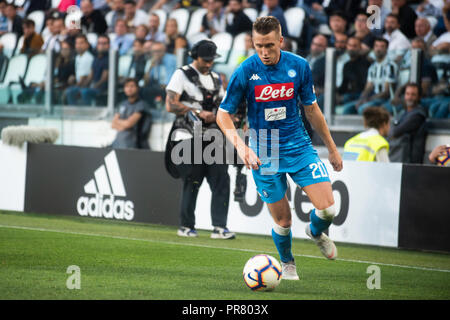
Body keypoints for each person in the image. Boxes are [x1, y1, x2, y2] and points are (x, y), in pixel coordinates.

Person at [217, 16, 343, 280]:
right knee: (283, 221)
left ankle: (317, 232)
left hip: (298, 146)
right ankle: (287, 263)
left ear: (281, 41)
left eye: (270, 45)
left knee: (328, 209)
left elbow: (312, 109)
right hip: (264, 152)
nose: (264, 52)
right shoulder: (245, 70)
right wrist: (242, 148)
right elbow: (223, 115)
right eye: (258, 45)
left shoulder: (299, 66)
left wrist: (331, 147)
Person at [165, 39, 236, 240]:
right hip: (187, 133)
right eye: (205, 59)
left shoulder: (215, 78)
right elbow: (170, 105)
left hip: (212, 136)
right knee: (192, 180)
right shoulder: (181, 74)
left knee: (222, 178)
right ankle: (186, 225)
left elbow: (223, 105)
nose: (208, 63)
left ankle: (220, 227)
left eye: (211, 60)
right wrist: (197, 111)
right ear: (195, 56)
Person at [388, 82, 428, 164]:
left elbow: (395, 132)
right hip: (399, 159)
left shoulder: (418, 115)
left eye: (413, 95)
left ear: (419, 97)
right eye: (407, 94)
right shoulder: (402, 113)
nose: (409, 97)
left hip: (411, 162)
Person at [111, 78, 151, 149]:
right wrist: (125, 125)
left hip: (134, 146)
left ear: (137, 88)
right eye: (127, 86)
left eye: (132, 86)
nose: (129, 89)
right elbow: (113, 124)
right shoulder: (122, 104)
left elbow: (129, 124)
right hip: (117, 144)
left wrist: (119, 122)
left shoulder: (142, 105)